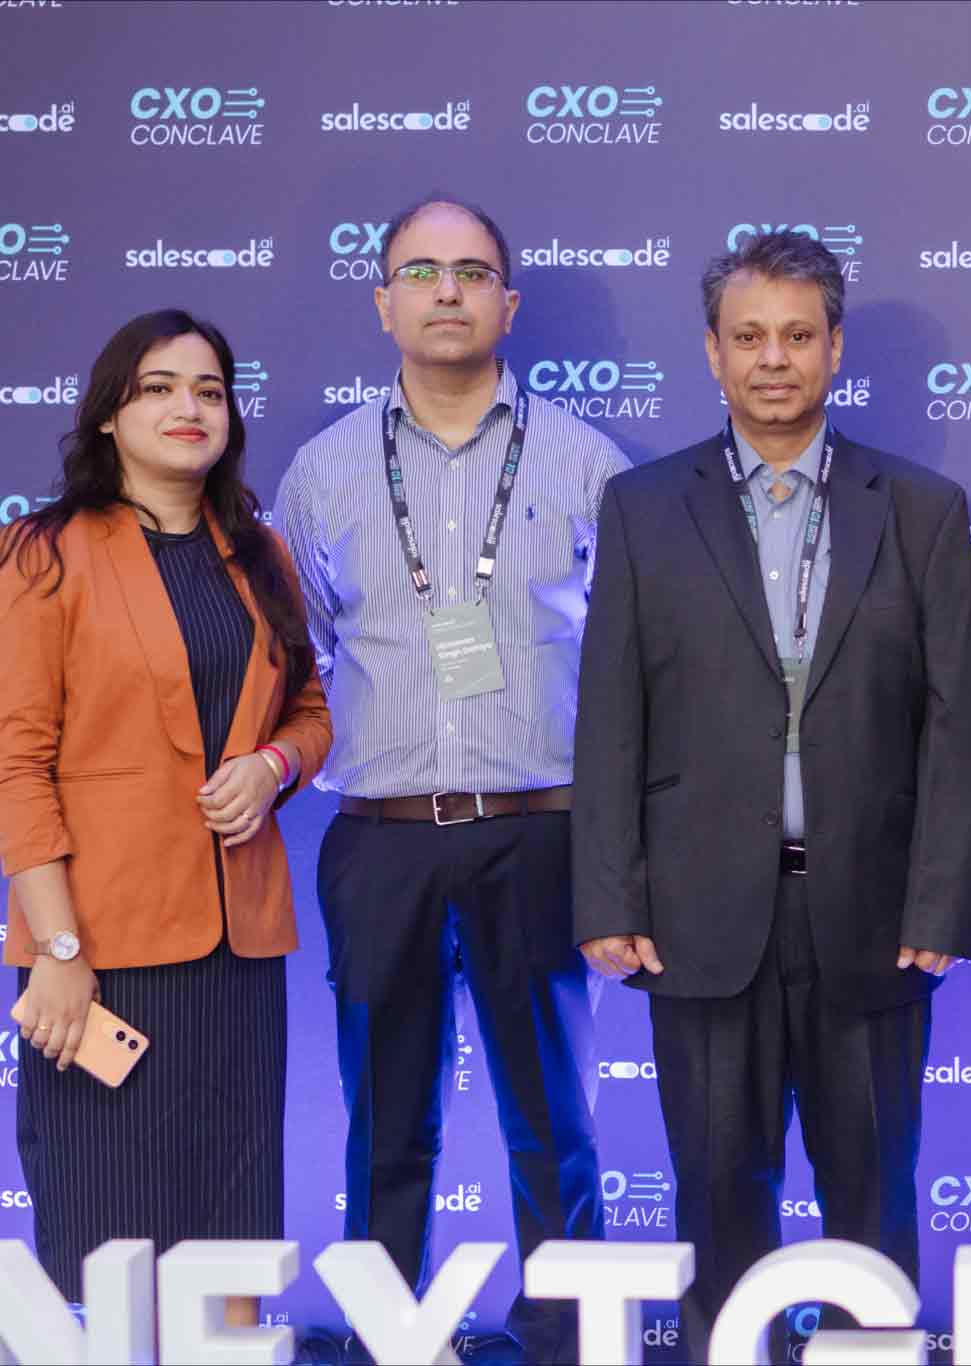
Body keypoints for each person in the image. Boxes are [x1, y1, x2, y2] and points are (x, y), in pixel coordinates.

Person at [572, 230, 971, 1359]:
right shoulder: (642, 507)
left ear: (835, 348)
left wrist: (940, 902)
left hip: (872, 914)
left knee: (875, 1191)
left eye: (798, 336)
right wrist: (609, 895)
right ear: (711, 351)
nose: (774, 359)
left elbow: (959, 727)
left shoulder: (920, 508)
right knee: (717, 1191)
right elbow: (609, 715)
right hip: (697, 917)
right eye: (749, 336)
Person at [276, 196, 625, 1363]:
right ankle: (387, 1335)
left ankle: (564, 1336)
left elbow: (630, 658)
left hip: (540, 827)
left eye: (470, 272)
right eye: (419, 272)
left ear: (507, 303)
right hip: (381, 836)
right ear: (383, 302)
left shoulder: (584, 463)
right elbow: (305, 646)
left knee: (554, 1116)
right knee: (384, 1115)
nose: (446, 291)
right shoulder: (323, 470)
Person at [0, 309, 330, 1317]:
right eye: (158, 387)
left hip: (238, 951)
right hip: (100, 948)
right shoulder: (43, 553)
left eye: (209, 390)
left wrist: (274, 765)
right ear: (109, 413)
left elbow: (312, 711)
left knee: (232, 1225)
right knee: (107, 1231)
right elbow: (16, 764)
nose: (188, 407)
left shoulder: (260, 552)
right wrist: (57, 947)